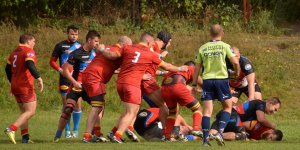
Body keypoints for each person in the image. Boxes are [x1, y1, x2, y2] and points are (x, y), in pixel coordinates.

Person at [98, 32, 188, 143]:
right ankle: (167, 134)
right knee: (164, 105)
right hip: (145, 82)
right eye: (169, 43)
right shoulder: (153, 47)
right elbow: (162, 63)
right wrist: (180, 68)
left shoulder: (129, 48)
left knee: (132, 110)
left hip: (126, 81)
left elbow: (132, 60)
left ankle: (116, 131)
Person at [191, 24, 240, 146]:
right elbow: (235, 61)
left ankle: (205, 141)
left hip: (207, 81)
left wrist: (193, 84)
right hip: (221, 80)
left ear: (210, 33)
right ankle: (220, 132)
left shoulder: (203, 48)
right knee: (228, 107)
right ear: (222, 33)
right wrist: (237, 71)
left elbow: (197, 68)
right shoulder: (225, 46)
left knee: (207, 112)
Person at [81, 36, 132, 142]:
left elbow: (106, 64)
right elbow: (112, 57)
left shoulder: (109, 48)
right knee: (97, 107)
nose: (129, 49)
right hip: (95, 77)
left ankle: (97, 133)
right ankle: (87, 136)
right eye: (129, 46)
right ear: (125, 44)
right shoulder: (117, 50)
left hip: (89, 75)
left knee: (99, 106)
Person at [53, 30, 99, 142]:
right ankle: (57, 136)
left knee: (98, 108)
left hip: (89, 88)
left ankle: (95, 134)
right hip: (76, 86)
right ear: (89, 40)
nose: (97, 43)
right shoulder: (77, 53)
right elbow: (65, 70)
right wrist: (74, 82)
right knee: (68, 109)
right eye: (96, 41)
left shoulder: (96, 54)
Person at [4, 33, 44, 144]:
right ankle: (11, 129)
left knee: (24, 112)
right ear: (28, 41)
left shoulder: (14, 52)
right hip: (25, 86)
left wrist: (12, 82)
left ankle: (25, 138)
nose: (34, 44)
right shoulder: (28, 51)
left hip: (15, 85)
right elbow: (30, 64)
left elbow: (7, 69)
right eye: (34, 41)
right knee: (31, 111)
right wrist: (39, 78)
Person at [49, 25, 82, 138]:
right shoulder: (60, 45)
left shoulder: (81, 46)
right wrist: (60, 69)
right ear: (68, 33)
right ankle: (67, 131)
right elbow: (52, 61)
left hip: (77, 78)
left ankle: (76, 130)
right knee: (67, 105)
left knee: (77, 104)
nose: (74, 36)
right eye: (72, 34)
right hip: (64, 78)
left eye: (76, 34)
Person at [161, 61, 203, 140]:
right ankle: (196, 129)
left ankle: (167, 136)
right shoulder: (191, 69)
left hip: (164, 89)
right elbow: (201, 83)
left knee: (172, 113)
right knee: (198, 108)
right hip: (177, 87)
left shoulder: (173, 70)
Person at [134, 108, 198, 142]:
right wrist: (187, 126)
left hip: (142, 132)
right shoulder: (163, 110)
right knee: (175, 117)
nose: (182, 127)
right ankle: (171, 137)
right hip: (149, 127)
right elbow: (178, 117)